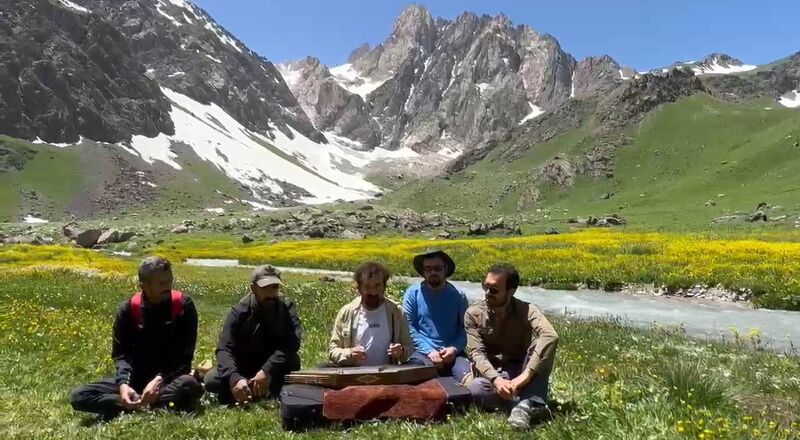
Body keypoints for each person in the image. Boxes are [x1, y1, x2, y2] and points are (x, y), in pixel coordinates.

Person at [69, 257, 203, 419]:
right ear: (143, 286)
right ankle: (140, 403)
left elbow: (184, 355)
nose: (168, 286)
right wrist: (124, 385)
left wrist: (158, 380)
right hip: (136, 378)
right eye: (161, 283)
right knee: (79, 395)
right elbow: (121, 355)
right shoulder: (127, 310)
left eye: (169, 281)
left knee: (188, 385)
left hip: (169, 378)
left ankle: (133, 405)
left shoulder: (183, 306)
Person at [464, 264, 559, 431]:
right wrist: (497, 380)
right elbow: (476, 353)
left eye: (494, 290)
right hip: (495, 373)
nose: (487, 293)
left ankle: (522, 405)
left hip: (521, 369)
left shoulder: (527, 310)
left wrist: (526, 376)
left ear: (511, 291)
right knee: (475, 389)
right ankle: (530, 401)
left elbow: (550, 335)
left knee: (542, 345)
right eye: (485, 286)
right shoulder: (473, 314)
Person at [204, 265, 302, 405]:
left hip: (274, 367)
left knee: (293, 364)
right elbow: (224, 349)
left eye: (274, 287)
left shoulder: (286, 308)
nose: (271, 293)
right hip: (244, 366)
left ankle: (253, 391)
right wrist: (235, 378)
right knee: (211, 380)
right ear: (253, 288)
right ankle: (247, 388)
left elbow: (292, 343)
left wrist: (266, 370)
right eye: (265, 288)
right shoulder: (239, 311)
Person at [328, 261, 413, 366]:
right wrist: (349, 353)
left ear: (384, 286)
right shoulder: (347, 313)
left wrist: (401, 351)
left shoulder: (396, 312)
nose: (373, 292)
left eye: (377, 286)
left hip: (388, 377)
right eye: (367, 287)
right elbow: (332, 351)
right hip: (354, 377)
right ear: (359, 288)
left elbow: (410, 348)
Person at [402, 249, 470, 381]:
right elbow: (409, 327)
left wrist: (454, 349)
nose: (433, 272)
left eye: (437, 268)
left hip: (453, 353)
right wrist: (429, 351)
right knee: (413, 377)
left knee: (470, 382)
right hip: (422, 352)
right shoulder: (412, 294)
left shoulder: (458, 295)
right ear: (423, 272)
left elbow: (466, 328)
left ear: (445, 270)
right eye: (428, 269)